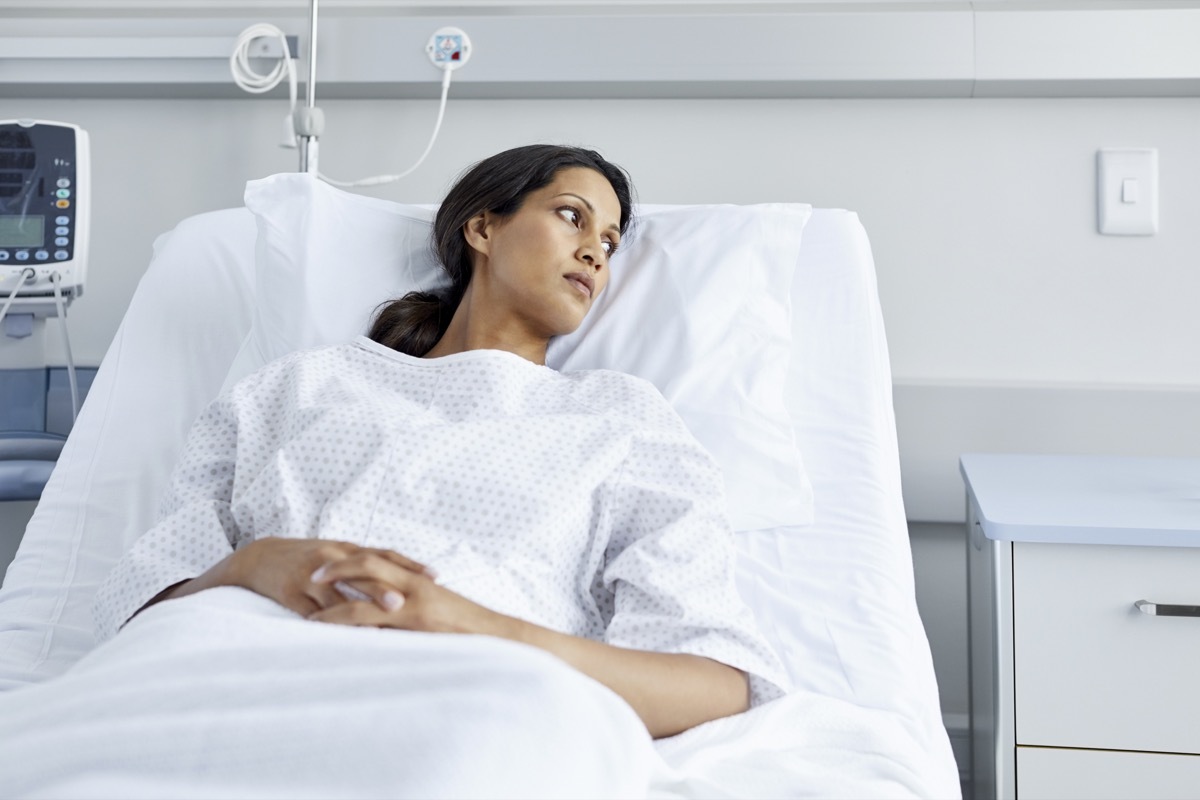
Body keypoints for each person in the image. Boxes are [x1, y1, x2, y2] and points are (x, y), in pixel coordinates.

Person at [92, 144, 788, 740]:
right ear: (482, 227)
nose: (593, 253)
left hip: (475, 702)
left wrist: (471, 626)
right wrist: (253, 565)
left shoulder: (621, 418)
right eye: (572, 216)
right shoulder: (296, 388)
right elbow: (142, 612)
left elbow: (714, 681)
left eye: (607, 242)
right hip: (237, 683)